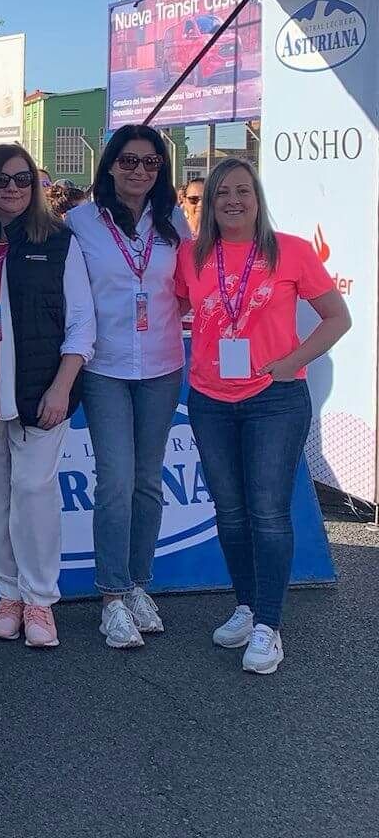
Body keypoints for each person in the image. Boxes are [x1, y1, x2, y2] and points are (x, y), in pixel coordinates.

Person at [176, 158, 349, 675]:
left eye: (243, 191)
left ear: (258, 198)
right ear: (208, 204)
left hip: (274, 399)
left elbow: (338, 317)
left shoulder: (290, 250)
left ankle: (269, 626)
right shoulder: (192, 255)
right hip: (210, 399)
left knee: (268, 513)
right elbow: (171, 305)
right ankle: (247, 608)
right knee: (230, 512)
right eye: (222, 192)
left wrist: (292, 362)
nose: (232, 199)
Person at [0, 146, 95, 648]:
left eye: (21, 179)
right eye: (1, 180)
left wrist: (62, 385)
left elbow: (81, 321)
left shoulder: (58, 240)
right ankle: (8, 593)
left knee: (34, 494)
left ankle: (39, 600)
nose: (12, 189)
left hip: (42, 392)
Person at [65, 125, 190, 649]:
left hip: (162, 365)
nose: (139, 171)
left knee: (147, 481)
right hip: (105, 367)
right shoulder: (79, 223)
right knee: (114, 480)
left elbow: (187, 291)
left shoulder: (174, 223)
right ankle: (112, 597)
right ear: (110, 165)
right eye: (129, 161)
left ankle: (139, 584)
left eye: (151, 163)